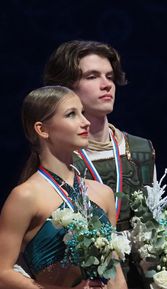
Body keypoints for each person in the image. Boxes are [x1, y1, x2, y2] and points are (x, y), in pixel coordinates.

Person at [43, 40, 156, 289]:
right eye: (92, 76)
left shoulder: (139, 149)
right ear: (65, 87)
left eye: (110, 76)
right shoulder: (58, 155)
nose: (107, 85)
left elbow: (152, 222)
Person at [0, 86, 127, 289]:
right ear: (42, 129)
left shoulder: (103, 193)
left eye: (82, 113)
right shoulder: (25, 196)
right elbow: (2, 273)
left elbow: (116, 275)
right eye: (71, 114)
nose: (85, 122)